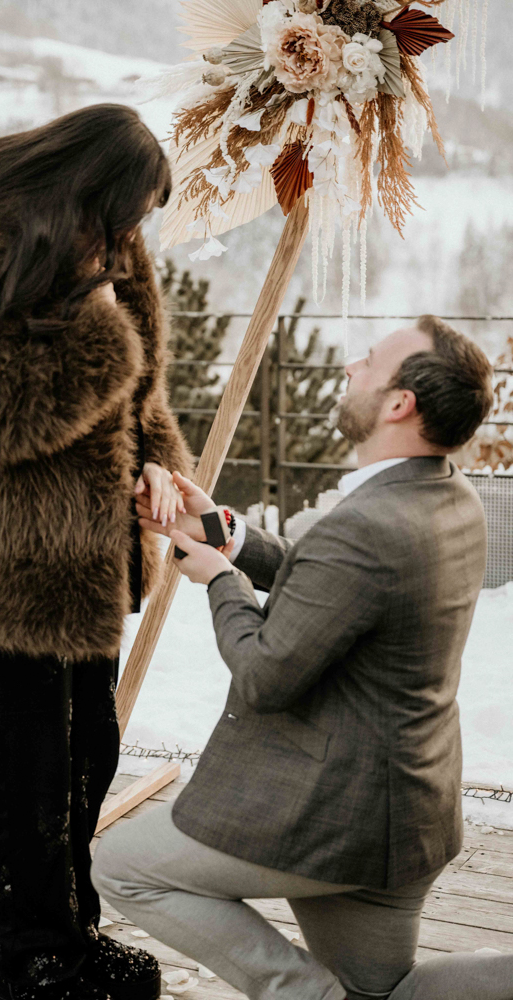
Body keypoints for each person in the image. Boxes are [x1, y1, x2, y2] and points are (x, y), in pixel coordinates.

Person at [92, 317, 513, 1000]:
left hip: (335, 816)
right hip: (410, 816)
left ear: (399, 403)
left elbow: (264, 674)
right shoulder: (448, 496)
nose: (350, 367)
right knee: (380, 992)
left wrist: (218, 579)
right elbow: (335, 581)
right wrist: (224, 534)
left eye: (368, 362)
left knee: (122, 867)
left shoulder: (365, 524)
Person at [0, 104, 193, 1000]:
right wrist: (102, 328)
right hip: (6, 560)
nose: (132, 235)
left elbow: (138, 393)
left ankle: (73, 930)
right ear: (87, 183)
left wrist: (159, 463)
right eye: (128, 214)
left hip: (88, 556)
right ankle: (34, 960)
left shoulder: (101, 247)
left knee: (89, 746)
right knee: (32, 766)